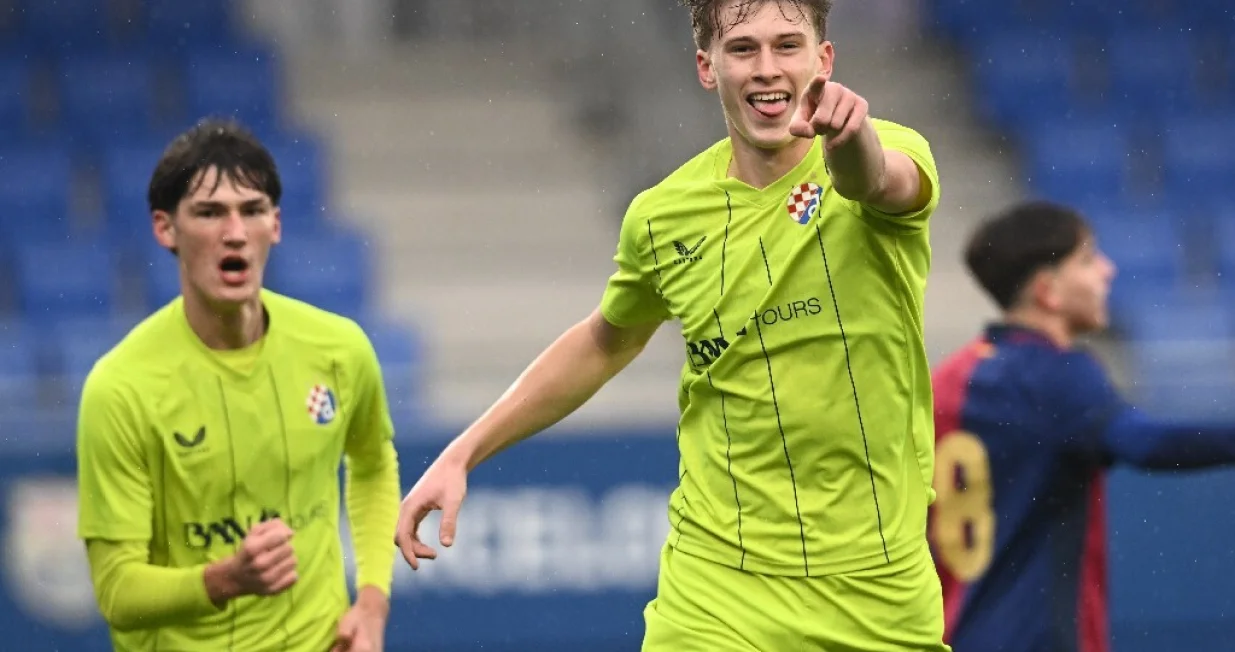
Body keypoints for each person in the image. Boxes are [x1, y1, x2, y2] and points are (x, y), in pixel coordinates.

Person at [395, 0, 950, 649]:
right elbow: (607, 338)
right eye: (742, 48)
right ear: (705, 67)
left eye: (787, 45)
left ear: (822, 59)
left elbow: (875, 181)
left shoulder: (891, 150)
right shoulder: (662, 216)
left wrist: (851, 139)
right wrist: (463, 452)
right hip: (716, 588)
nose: (766, 68)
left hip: (876, 590)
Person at [75, 119, 401, 652]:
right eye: (209, 212)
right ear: (165, 228)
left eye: (252, 210)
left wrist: (371, 602)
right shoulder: (121, 388)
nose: (234, 232)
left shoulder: (340, 349)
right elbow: (117, 590)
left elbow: (372, 464)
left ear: (275, 223)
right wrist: (228, 577)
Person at [930, 200, 1235, 652]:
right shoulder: (1056, 375)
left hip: (953, 635)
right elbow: (1147, 443)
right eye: (1088, 259)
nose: (1107, 271)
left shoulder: (945, 380)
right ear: (1047, 290)